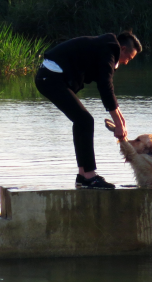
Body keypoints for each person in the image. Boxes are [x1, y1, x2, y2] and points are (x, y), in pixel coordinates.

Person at [35, 31, 142, 189]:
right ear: (123, 49)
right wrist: (118, 124)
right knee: (85, 120)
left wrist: (121, 120)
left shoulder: (105, 48)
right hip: (50, 78)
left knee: (82, 121)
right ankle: (90, 177)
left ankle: (83, 176)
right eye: (129, 59)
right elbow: (105, 88)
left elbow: (107, 88)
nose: (126, 63)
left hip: (51, 78)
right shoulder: (108, 50)